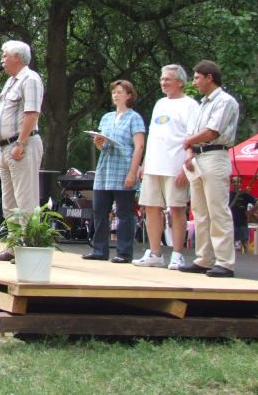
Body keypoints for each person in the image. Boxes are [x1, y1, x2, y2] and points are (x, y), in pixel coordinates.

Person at [178, 60, 241, 277]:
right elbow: (191, 135)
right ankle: (204, 258)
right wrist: (189, 151)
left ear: (209, 77)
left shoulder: (225, 101)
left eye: (197, 78)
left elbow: (212, 132)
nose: (194, 82)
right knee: (200, 212)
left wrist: (188, 142)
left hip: (215, 155)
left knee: (218, 210)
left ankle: (225, 262)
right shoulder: (201, 105)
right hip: (198, 157)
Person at [133, 65, 200, 269]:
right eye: (162, 79)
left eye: (168, 79)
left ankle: (177, 254)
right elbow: (153, 135)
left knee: (177, 208)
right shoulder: (160, 104)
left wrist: (185, 168)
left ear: (180, 82)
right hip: (154, 165)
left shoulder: (190, 105)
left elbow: (192, 138)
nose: (163, 83)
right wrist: (145, 163)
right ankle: (155, 253)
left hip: (174, 166)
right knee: (151, 208)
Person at [0, 40, 45, 261]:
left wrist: (20, 142)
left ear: (17, 57)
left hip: (22, 145)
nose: (1, 60)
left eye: (5, 56)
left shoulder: (30, 79)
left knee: (25, 200)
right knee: (9, 202)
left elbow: (32, 113)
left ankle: (28, 248)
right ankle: (13, 246)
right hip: (5, 148)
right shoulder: (11, 82)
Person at [83, 80, 146, 263]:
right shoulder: (107, 117)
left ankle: (124, 252)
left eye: (120, 92)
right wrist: (99, 143)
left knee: (124, 212)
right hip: (105, 169)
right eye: (114, 92)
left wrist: (132, 173)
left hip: (124, 168)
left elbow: (139, 146)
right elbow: (105, 146)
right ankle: (99, 250)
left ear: (129, 95)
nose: (116, 95)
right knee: (99, 210)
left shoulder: (134, 118)